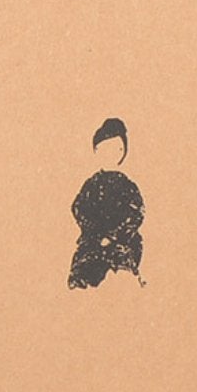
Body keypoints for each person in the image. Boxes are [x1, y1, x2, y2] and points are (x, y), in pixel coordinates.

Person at [67, 118, 144, 289]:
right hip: (94, 240)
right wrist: (95, 233)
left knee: (121, 267)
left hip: (122, 241)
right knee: (84, 267)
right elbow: (78, 207)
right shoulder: (92, 184)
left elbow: (136, 213)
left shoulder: (127, 186)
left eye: (118, 149)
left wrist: (113, 236)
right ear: (96, 151)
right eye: (105, 149)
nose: (112, 154)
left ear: (123, 152)